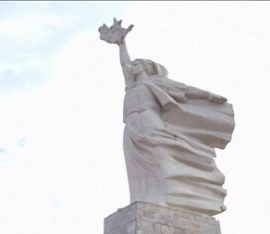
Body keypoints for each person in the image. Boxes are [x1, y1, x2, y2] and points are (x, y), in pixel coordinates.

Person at [99, 19, 235, 216]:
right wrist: (121, 44)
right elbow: (124, 65)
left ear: (146, 67)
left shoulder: (157, 84)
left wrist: (209, 96)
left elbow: (188, 91)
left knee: (160, 158)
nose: (131, 67)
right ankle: (142, 198)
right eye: (132, 64)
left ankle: (168, 197)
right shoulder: (131, 86)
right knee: (137, 166)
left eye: (136, 64)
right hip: (132, 126)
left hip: (149, 121)